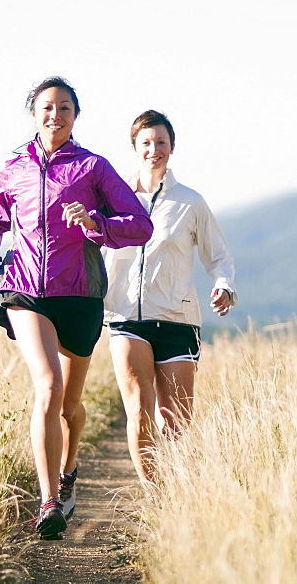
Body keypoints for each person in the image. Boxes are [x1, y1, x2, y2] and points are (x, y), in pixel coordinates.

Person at [0, 77, 153, 539]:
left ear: (75, 116)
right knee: (47, 386)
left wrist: (96, 222)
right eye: (47, 107)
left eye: (64, 108)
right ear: (33, 114)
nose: (55, 115)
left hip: (80, 295)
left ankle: (70, 467)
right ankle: (48, 502)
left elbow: (140, 226)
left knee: (69, 405)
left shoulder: (93, 168)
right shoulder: (13, 168)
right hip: (24, 291)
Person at [103, 110, 238, 487]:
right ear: (134, 148)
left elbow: (219, 255)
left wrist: (223, 285)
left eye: (161, 142)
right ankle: (156, 495)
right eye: (146, 143)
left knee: (176, 420)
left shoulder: (190, 202)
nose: (154, 149)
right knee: (141, 414)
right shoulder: (113, 199)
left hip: (178, 320)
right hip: (126, 317)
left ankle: (178, 493)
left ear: (172, 147)